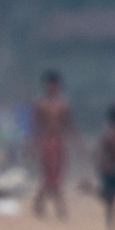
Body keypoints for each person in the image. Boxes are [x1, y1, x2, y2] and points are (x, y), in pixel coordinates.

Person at [31, 69, 72, 219]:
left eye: (54, 85)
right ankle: (58, 207)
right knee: (49, 175)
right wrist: (31, 146)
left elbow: (69, 125)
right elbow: (35, 127)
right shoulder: (40, 104)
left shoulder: (63, 104)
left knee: (57, 176)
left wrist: (79, 144)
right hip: (46, 142)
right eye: (49, 85)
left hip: (59, 142)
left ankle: (40, 203)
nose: (52, 87)